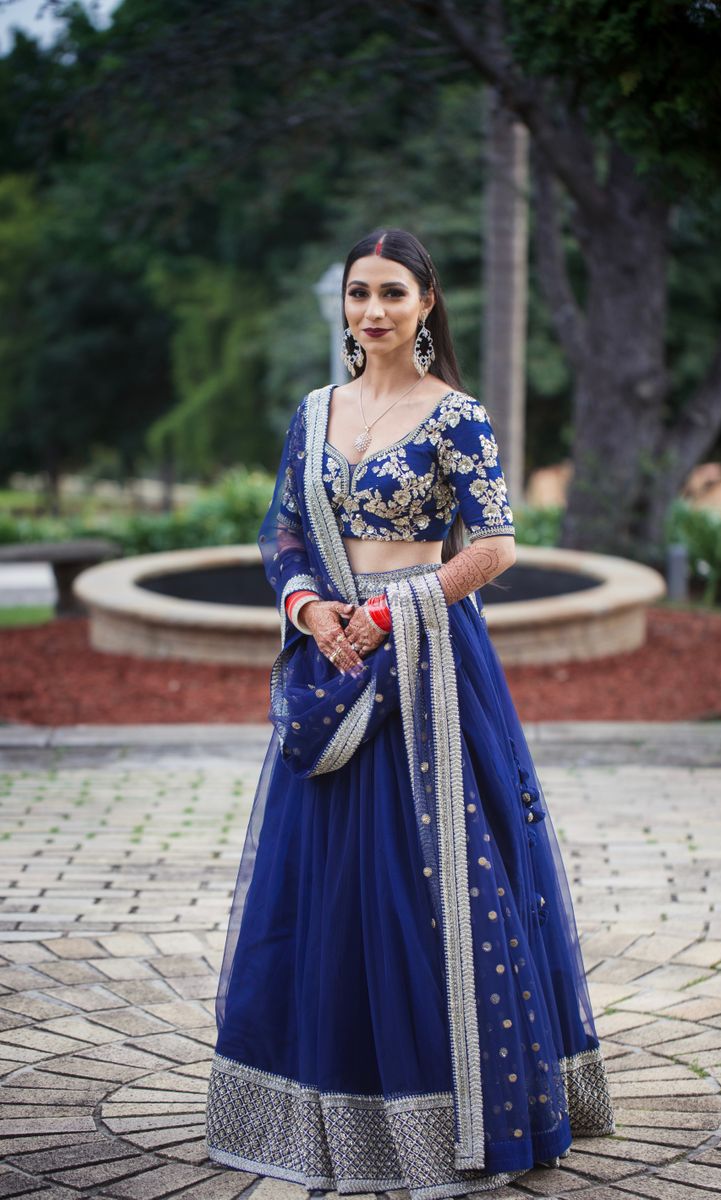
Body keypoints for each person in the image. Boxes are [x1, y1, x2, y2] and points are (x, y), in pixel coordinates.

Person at [204, 227, 614, 1199]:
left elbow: (496, 545)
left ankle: (458, 1111)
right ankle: (328, 1101)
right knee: (325, 887)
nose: (372, 311)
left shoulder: (454, 416)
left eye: (392, 293)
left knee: (432, 881)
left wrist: (391, 611)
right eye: (357, 293)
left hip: (426, 667)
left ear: (427, 304)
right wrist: (311, 609)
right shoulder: (316, 413)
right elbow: (283, 532)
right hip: (332, 658)